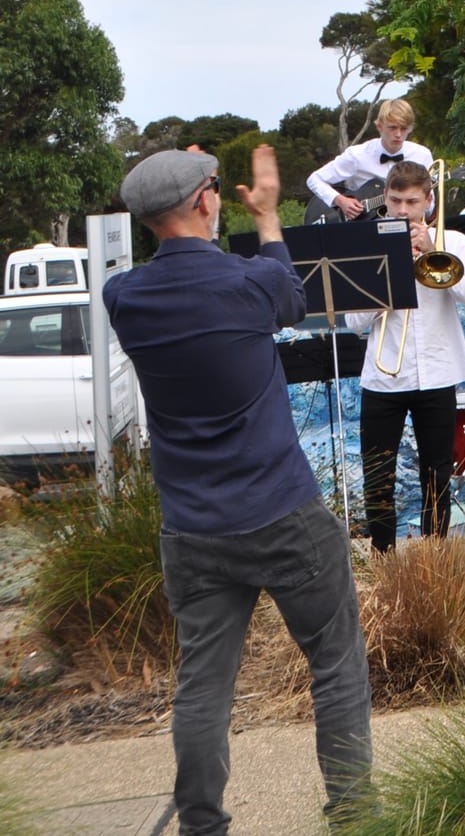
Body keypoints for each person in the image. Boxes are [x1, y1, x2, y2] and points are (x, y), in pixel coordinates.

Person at [105, 145, 371, 833]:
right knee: (337, 666)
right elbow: (292, 293)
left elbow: (197, 270)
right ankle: (357, 817)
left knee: (203, 688)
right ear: (204, 202)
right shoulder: (250, 284)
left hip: (193, 529)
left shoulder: (125, 298)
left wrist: (192, 176)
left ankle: (202, 826)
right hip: (283, 511)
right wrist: (269, 216)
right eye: (212, 191)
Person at [346, 160, 465, 552]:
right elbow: (355, 321)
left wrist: (433, 249)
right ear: (385, 201)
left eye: (411, 201)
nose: (403, 210)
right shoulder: (369, 244)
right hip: (383, 374)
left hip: (439, 372)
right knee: (378, 474)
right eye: (395, 201)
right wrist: (392, 273)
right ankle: (383, 553)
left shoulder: (453, 241)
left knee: (437, 472)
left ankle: (435, 554)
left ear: (428, 200)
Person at [305, 97, 432, 221]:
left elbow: (430, 206)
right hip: (360, 228)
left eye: (404, 129)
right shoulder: (357, 154)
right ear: (379, 126)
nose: (398, 134)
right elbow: (314, 179)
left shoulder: (422, 155)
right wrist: (340, 200)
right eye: (392, 128)